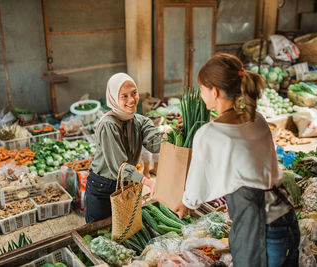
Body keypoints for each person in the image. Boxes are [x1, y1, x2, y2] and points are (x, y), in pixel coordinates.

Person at [174, 54, 300, 267]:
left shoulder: (210, 133)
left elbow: (196, 185)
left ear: (214, 91)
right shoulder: (257, 119)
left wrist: (186, 204)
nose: (202, 93)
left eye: (203, 88)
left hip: (259, 232)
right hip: (285, 219)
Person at [85, 73, 162, 223]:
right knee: (100, 234)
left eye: (134, 93)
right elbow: (119, 167)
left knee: (125, 230)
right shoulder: (109, 125)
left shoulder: (140, 120)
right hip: (103, 187)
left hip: (126, 184)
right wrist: (148, 182)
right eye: (124, 96)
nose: (132, 100)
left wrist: (171, 137)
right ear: (113, 98)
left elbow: (154, 144)